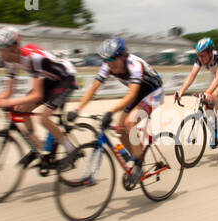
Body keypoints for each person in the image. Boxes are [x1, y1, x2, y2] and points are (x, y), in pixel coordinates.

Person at [0, 26, 78, 171]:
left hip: (66, 78)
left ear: (12, 47)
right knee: (20, 110)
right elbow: (8, 92)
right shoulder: (10, 61)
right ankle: (36, 147)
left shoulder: (32, 59)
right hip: (50, 78)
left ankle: (72, 150)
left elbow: (37, 95)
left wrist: (7, 102)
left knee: (43, 118)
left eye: (1, 49)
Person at [70, 37, 164, 186]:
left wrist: (110, 112)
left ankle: (139, 165)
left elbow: (132, 95)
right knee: (120, 130)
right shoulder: (107, 66)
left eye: (113, 59)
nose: (109, 63)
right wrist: (77, 109)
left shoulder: (134, 65)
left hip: (154, 92)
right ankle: (137, 155)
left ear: (123, 56)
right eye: (106, 60)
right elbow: (93, 88)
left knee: (130, 122)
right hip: (139, 92)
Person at [175, 36, 218, 149]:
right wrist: (181, 91)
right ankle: (216, 132)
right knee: (206, 105)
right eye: (198, 55)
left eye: (203, 55)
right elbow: (192, 76)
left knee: (214, 95)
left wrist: (208, 92)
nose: (200, 58)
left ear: (210, 52)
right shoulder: (199, 59)